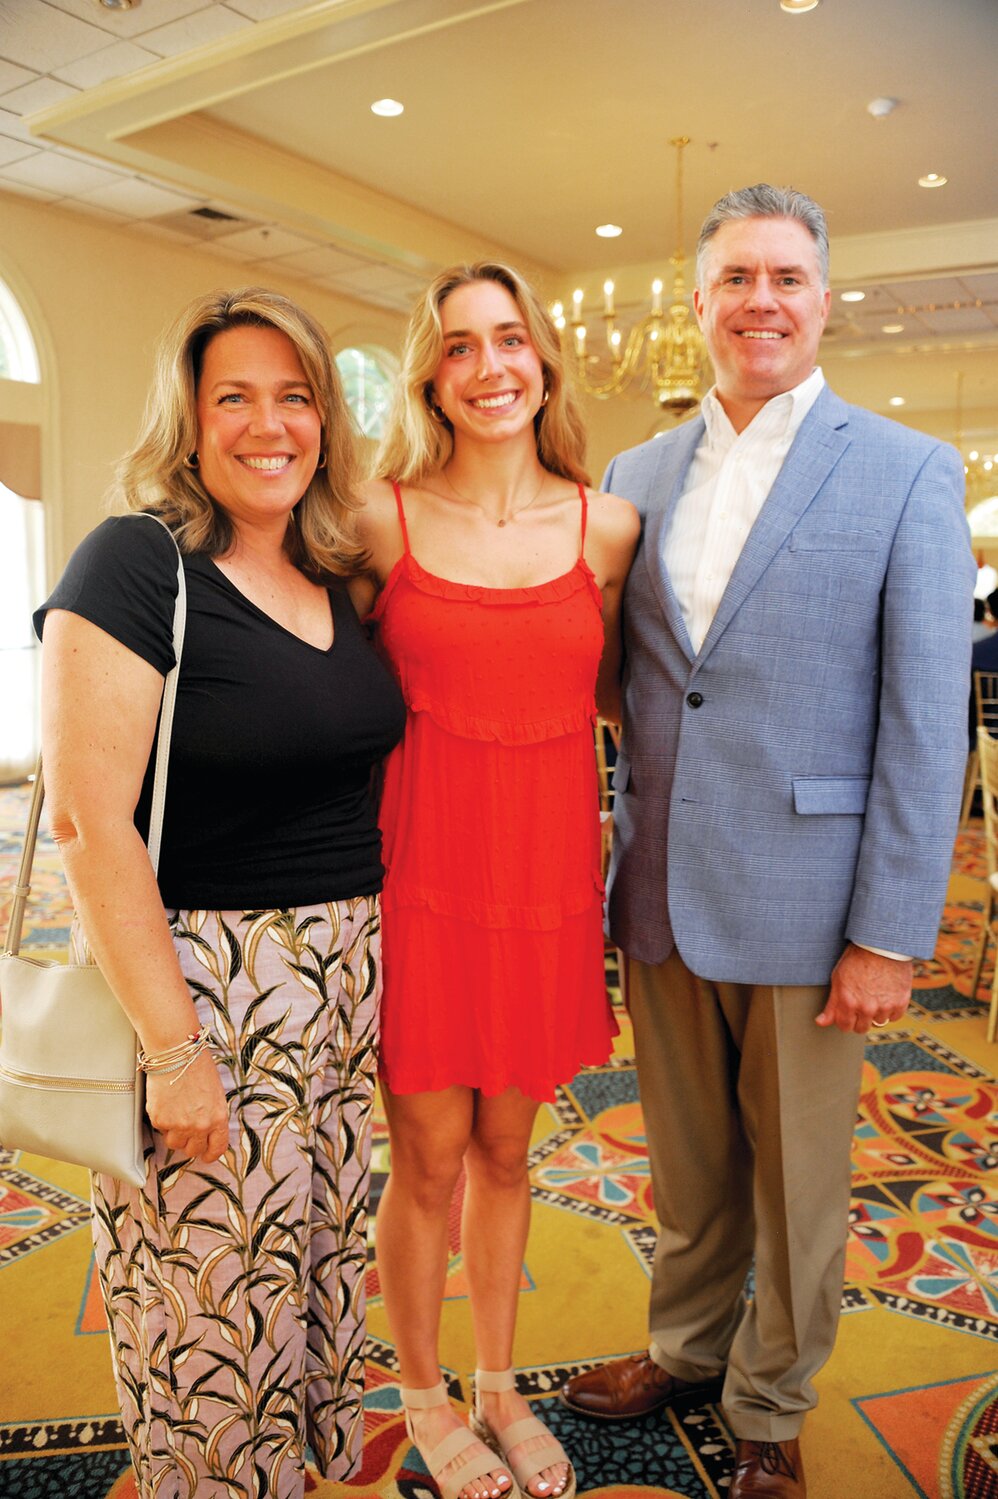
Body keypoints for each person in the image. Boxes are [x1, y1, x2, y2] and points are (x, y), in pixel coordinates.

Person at [559, 186, 973, 1498]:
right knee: (683, 1158)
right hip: (664, 887)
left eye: (785, 277)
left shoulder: (904, 467)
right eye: (734, 277)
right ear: (695, 304)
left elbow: (924, 717)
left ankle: (771, 1398)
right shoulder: (634, 473)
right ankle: (684, 1344)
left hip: (813, 901)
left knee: (797, 1177)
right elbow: (625, 680)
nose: (760, 300)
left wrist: (889, 929)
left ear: (822, 298)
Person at [35, 288, 406, 1498]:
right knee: (210, 1317)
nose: (267, 423)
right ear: (189, 424)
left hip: (341, 992)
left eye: (293, 396)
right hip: (206, 989)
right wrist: (173, 1048)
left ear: (324, 420)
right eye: (231, 397)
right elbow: (89, 823)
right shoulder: (137, 561)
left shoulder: (335, 572)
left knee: (311, 1278)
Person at [350, 261, 639, 1499]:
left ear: (544, 359)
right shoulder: (378, 519)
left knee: (511, 1153)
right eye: (459, 346)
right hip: (419, 876)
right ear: (431, 373)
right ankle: (422, 1398)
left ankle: (498, 1386)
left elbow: (627, 700)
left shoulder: (606, 525)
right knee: (425, 1155)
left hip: (545, 881)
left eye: (509, 339)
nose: (488, 367)